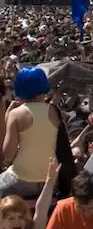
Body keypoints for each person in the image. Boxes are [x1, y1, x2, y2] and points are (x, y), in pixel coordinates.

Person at [0, 67, 59, 199]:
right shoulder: (55, 112)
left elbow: (8, 155)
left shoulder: (15, 114)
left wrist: (7, 118)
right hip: (50, 179)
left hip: (21, 179)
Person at [0, 158, 58, 229]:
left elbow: (41, 211)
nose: (17, 222)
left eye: (20, 217)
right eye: (11, 218)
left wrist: (50, 182)